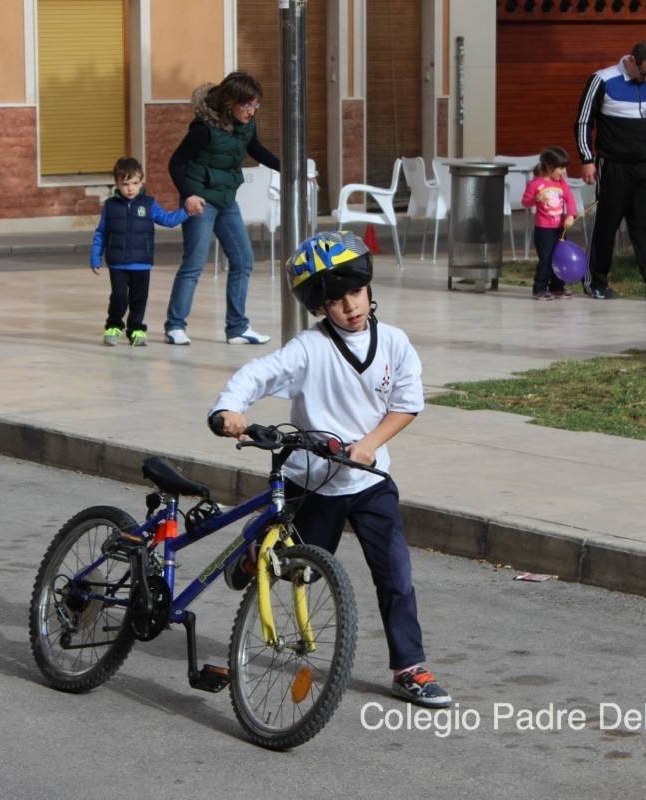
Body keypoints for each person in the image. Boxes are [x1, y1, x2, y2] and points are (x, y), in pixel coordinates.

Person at [208, 231, 453, 709]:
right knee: (304, 571)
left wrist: (369, 445)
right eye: (336, 301)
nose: (350, 307)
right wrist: (228, 410)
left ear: (368, 288)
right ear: (320, 307)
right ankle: (254, 549)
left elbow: (407, 405)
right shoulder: (308, 349)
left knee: (396, 574)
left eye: (356, 294)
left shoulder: (396, 344)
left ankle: (410, 667)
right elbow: (257, 374)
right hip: (314, 482)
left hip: (369, 480)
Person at [164, 71, 278, 346]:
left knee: (243, 260)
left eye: (255, 105)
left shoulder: (246, 125)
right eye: (247, 105)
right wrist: (188, 195)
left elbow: (257, 149)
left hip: (226, 199)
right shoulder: (202, 130)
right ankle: (175, 326)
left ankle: (237, 328)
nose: (252, 111)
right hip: (200, 200)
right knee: (194, 262)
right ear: (230, 103)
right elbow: (175, 164)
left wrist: (290, 168)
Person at [575, 40, 646, 303]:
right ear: (631, 61)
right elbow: (583, 121)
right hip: (613, 165)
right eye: (643, 73)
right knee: (607, 224)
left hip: (645, 166)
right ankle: (595, 281)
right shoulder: (603, 79)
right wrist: (587, 159)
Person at [91, 157, 190, 347]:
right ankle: (113, 325)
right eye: (125, 184)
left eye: (135, 183)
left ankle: (136, 329)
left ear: (142, 181)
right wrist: (95, 256)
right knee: (119, 296)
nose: (130, 188)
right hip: (117, 262)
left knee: (139, 298)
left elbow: (168, 220)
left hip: (141, 262)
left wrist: (186, 211)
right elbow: (101, 233)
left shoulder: (149, 204)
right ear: (117, 184)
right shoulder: (110, 206)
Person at [521, 146, 578, 300]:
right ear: (549, 166)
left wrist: (570, 215)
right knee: (546, 259)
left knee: (559, 258)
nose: (564, 172)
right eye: (561, 168)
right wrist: (535, 199)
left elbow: (570, 199)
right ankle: (539, 289)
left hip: (560, 228)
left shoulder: (561, 183)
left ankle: (557, 288)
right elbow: (525, 202)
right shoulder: (535, 184)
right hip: (544, 230)